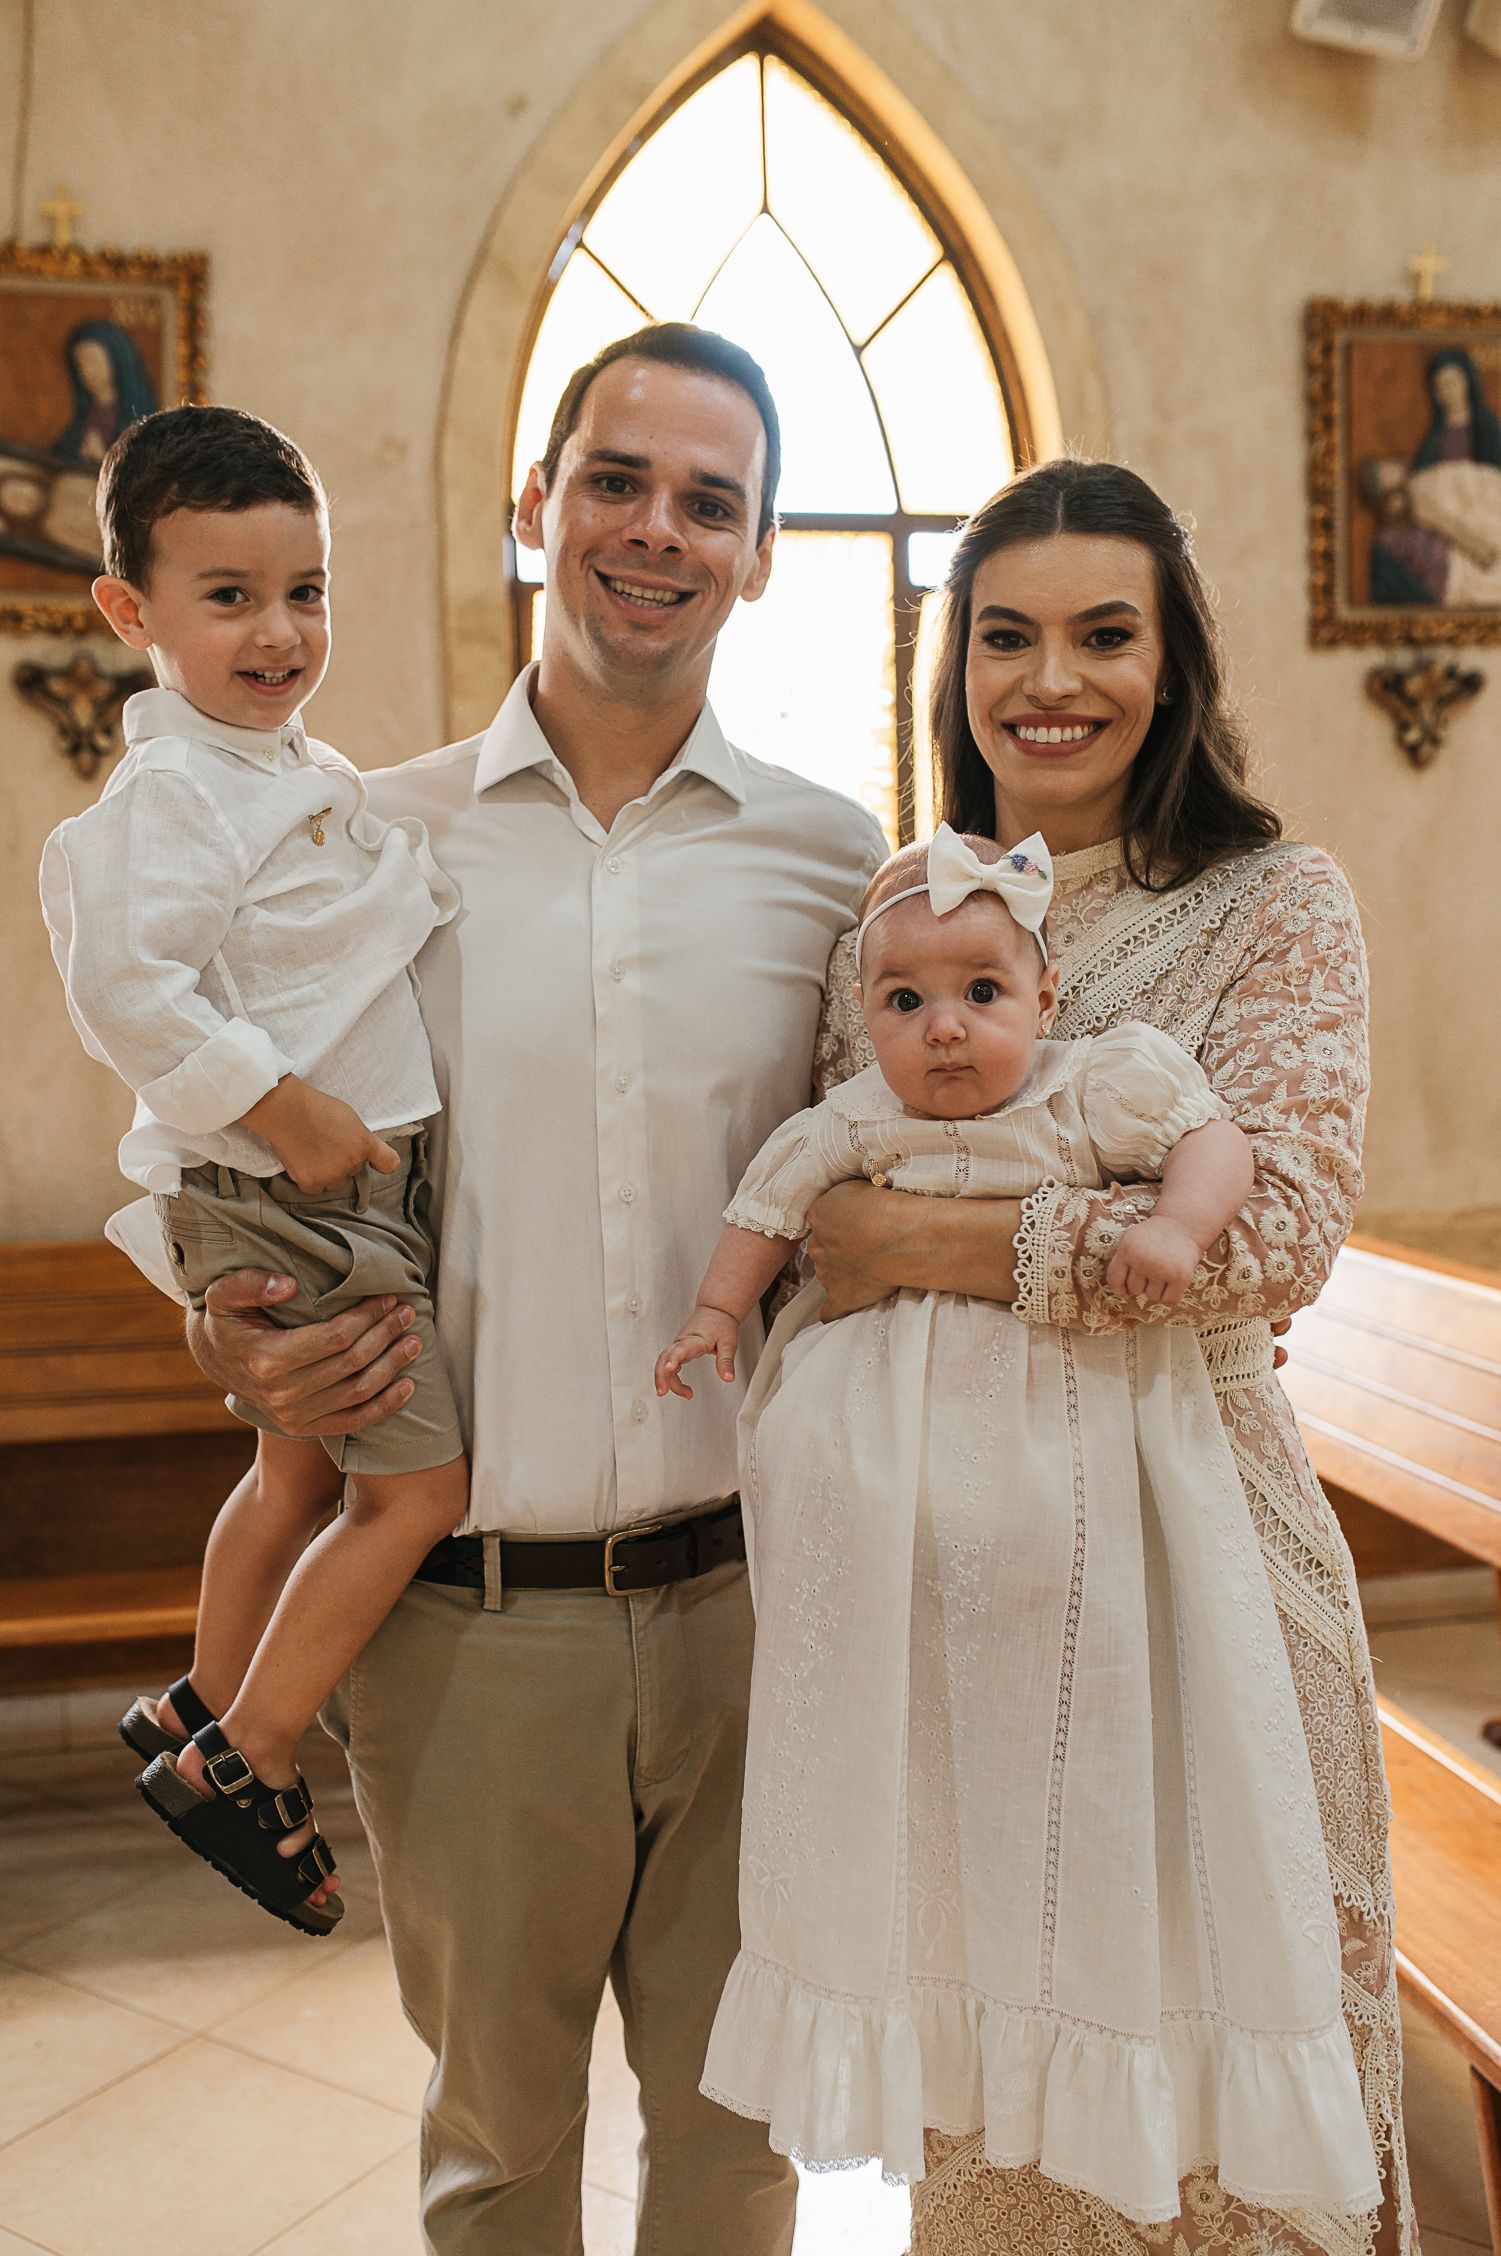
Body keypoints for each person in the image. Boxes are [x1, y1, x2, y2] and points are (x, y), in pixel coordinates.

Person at [169, 324, 886, 2255]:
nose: (656, 530)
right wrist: (232, 1328)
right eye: (616, 481)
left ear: (759, 557)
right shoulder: (360, 844)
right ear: (535, 505)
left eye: (708, 502)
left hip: (754, 1610)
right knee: (498, 2154)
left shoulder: (835, 865)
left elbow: (888, 1213)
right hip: (471, 1633)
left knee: (742, 2149)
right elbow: (246, 1174)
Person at [801, 458, 1414, 2256]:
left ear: (1174, 667)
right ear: (955, 666)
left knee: (1230, 2143)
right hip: (967, 1596)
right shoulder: (889, 925)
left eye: (1101, 634)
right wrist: (1058, 1258)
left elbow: (1273, 1233)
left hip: (1212, 1563)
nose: (1047, 679)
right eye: (1005, 635)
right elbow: (795, 1234)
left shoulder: (1273, 901)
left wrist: (922, 1244)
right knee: (1009, 2130)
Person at [656, 822, 1378, 2222]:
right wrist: (709, 1312)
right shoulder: (857, 1112)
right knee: (955, 1920)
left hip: (1101, 1509)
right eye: (906, 1001)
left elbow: (1227, 1168)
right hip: (910, 1554)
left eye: (982, 994)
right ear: (864, 1009)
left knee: (1118, 1864)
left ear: (1045, 1000)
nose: (942, 1029)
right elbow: (775, 1209)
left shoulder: (1096, 1081)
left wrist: (1164, 1228)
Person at [39, 404, 468, 1934]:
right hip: (296, 1186)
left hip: (317, 1183)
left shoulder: (286, 771)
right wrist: (283, 1111)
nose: (279, 630)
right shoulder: (170, 797)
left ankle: (198, 1707)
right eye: (229, 597)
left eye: (306, 590)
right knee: (415, 1493)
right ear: (131, 611)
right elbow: (126, 992)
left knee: (295, 1468)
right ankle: (255, 1753)